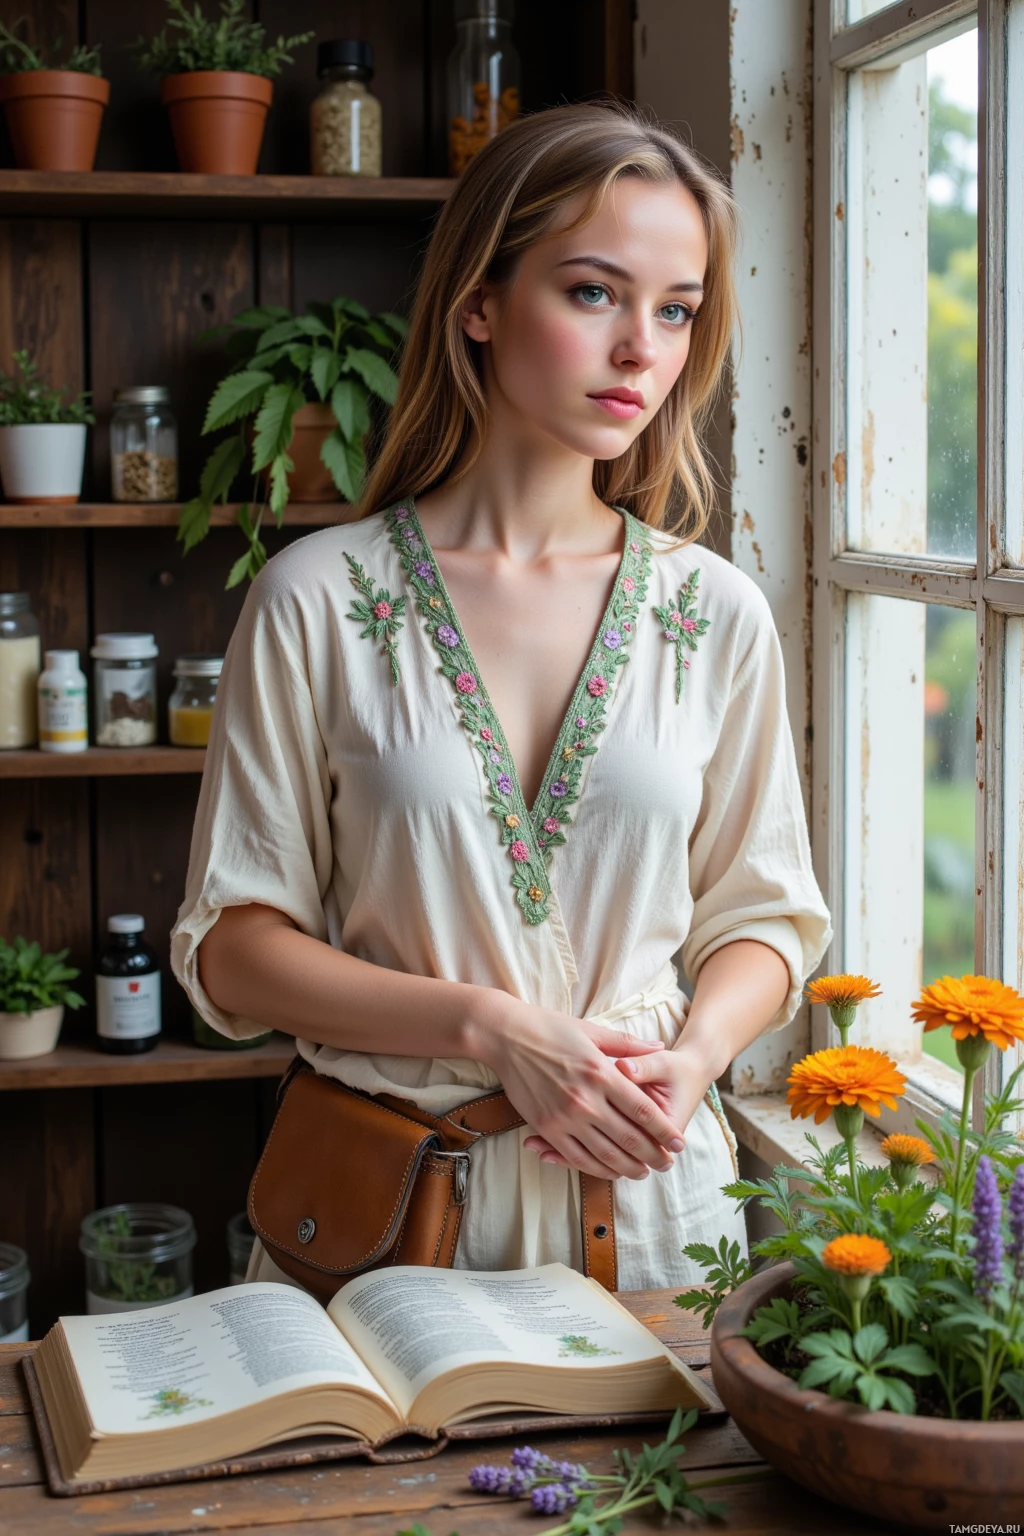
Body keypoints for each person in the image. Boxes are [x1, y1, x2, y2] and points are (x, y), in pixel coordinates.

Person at [171, 101, 831, 1291]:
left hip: (643, 1209)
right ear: (480, 301)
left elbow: (765, 920)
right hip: (385, 1216)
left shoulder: (714, 610)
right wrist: (493, 1030)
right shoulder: (316, 598)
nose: (642, 347)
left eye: (674, 310)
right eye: (593, 292)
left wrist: (694, 1059)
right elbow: (232, 951)